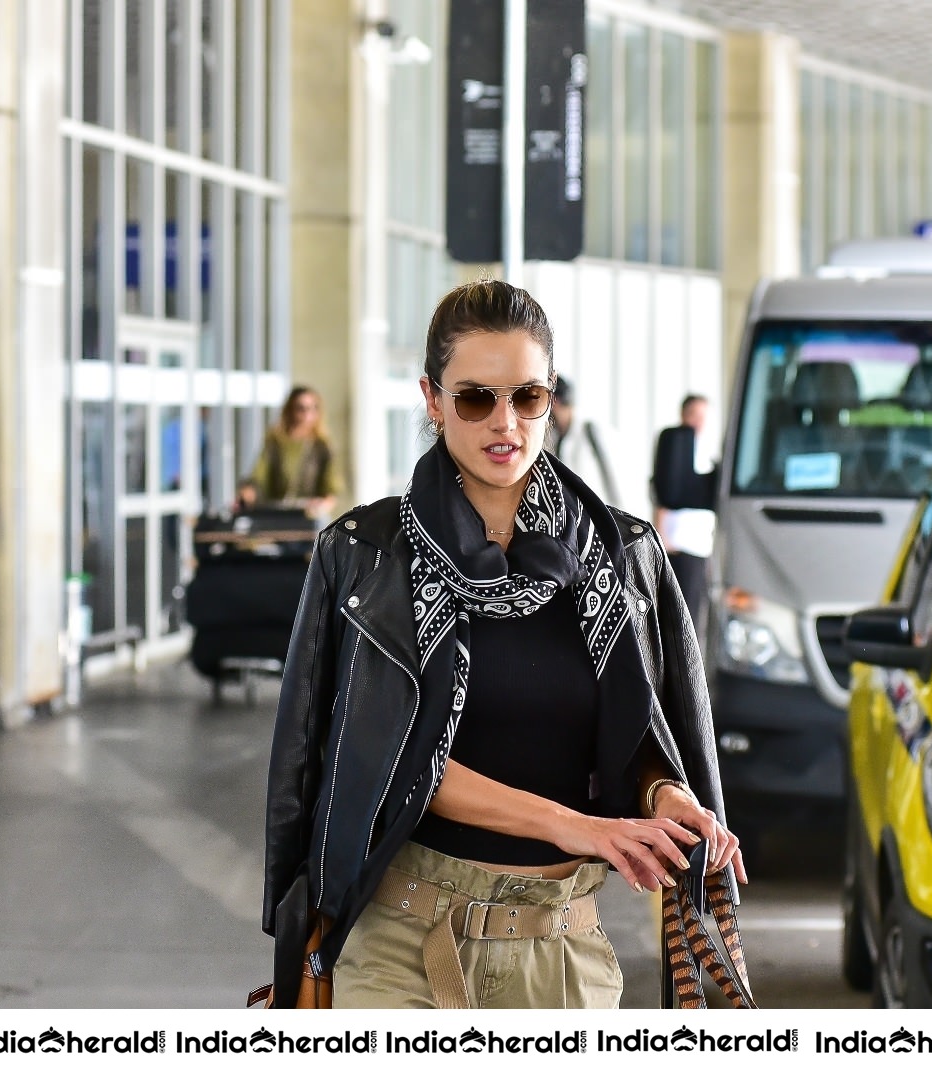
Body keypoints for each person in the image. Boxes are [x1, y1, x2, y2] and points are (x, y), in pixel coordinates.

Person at [263, 279, 745, 1010]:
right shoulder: (365, 555)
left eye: (527, 397)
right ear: (431, 399)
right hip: (401, 938)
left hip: (560, 948)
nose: (505, 421)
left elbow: (638, 729)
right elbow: (374, 758)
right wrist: (576, 825)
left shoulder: (623, 557)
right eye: (474, 397)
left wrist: (665, 791)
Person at [651, 394, 717, 631]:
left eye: (702, 417)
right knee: (678, 617)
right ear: (683, 415)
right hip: (677, 545)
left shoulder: (707, 450)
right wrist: (662, 541)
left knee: (697, 615)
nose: (698, 422)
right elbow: (662, 496)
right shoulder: (676, 447)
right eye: (694, 415)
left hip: (701, 547)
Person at [240, 386, 344, 523]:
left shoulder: (322, 446)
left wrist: (321, 505)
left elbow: (331, 488)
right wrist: (248, 492)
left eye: (313, 408)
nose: (307, 415)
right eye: (301, 408)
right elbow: (260, 473)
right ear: (290, 410)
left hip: (309, 517)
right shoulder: (275, 441)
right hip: (279, 515)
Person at [547, 374, 639, 514]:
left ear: (555, 400)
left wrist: (623, 523)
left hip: (600, 521)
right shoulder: (550, 436)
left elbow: (616, 482)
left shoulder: (593, 431)